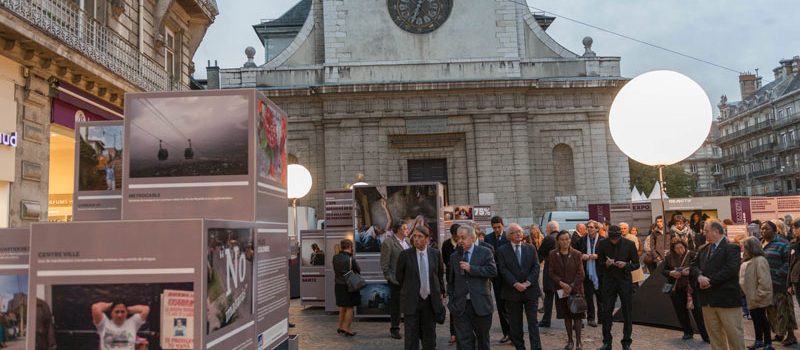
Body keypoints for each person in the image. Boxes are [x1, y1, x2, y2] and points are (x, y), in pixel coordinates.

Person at [691, 219, 745, 350]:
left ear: (716, 231)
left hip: (727, 300)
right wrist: (699, 277)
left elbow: (731, 269)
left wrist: (709, 281)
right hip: (707, 301)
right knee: (714, 336)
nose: (704, 234)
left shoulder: (732, 247)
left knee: (734, 335)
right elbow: (693, 266)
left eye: (706, 231)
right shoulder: (703, 248)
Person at [447, 224, 497, 350]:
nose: (460, 241)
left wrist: (471, 268)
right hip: (461, 306)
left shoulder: (485, 252)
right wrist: (451, 302)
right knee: (463, 342)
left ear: (472, 237)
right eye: (458, 238)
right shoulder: (454, 257)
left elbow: (492, 271)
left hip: (481, 304)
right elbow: (451, 282)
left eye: (463, 238)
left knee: (483, 341)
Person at [396, 225, 445, 350]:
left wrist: (441, 293)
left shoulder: (435, 254)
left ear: (427, 239)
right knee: (411, 338)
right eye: (414, 236)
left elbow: (439, 276)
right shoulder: (405, 255)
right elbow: (399, 277)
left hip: (429, 301)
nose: (416, 239)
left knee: (429, 337)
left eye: (420, 236)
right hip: (412, 301)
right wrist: (410, 289)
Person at [496, 223, 542, 350]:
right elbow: (503, 269)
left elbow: (536, 267)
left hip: (530, 291)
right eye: (514, 232)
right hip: (512, 293)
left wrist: (527, 283)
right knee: (516, 325)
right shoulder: (502, 250)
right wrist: (515, 283)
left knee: (533, 323)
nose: (518, 234)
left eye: (520, 231)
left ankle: (536, 348)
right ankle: (520, 347)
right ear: (508, 236)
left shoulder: (531, 248)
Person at [596, 225, 639, 350]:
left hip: (624, 281)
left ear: (620, 235)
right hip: (609, 282)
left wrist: (625, 265)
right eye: (612, 238)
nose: (614, 241)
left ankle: (626, 342)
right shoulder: (603, 244)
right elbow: (599, 264)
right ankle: (606, 342)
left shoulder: (629, 244)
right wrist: (606, 264)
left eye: (616, 238)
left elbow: (636, 264)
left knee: (627, 312)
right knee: (606, 312)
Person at [662, 238, 709, 342]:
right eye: (677, 248)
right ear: (673, 249)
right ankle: (687, 332)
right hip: (676, 288)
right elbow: (663, 270)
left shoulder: (692, 255)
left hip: (691, 288)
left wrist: (689, 272)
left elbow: (700, 269)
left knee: (697, 312)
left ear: (685, 247)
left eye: (682, 247)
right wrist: (671, 273)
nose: (680, 250)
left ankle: (705, 335)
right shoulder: (669, 256)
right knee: (681, 311)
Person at [760, 221, 798, 346]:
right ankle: (779, 333)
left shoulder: (783, 243)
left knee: (784, 310)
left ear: (774, 230)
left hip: (780, 283)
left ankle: (791, 335)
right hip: (765, 284)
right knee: (771, 311)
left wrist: (778, 274)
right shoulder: (760, 243)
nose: (763, 231)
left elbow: (789, 262)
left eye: (767, 229)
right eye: (762, 229)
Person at [550, 230, 586, 350]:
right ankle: (570, 340)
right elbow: (551, 272)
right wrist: (561, 283)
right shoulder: (553, 254)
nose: (565, 242)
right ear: (558, 241)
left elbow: (581, 273)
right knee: (567, 316)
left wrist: (571, 286)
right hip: (561, 290)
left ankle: (579, 342)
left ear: (570, 240)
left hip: (575, 289)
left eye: (567, 239)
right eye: (562, 239)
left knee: (577, 316)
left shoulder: (577, 254)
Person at [740, 236, 775, 350]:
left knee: (762, 319)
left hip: (757, 297)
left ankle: (768, 343)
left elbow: (764, 280)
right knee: (756, 319)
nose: (743, 249)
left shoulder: (759, 260)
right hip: (751, 296)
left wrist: (759, 295)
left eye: (744, 247)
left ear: (750, 248)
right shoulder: (749, 260)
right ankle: (759, 340)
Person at [380, 221, 411, 339]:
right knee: (396, 306)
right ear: (398, 230)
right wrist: (390, 278)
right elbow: (384, 264)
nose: (407, 230)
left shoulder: (408, 242)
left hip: (409, 279)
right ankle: (395, 329)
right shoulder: (388, 243)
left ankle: (410, 326)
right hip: (396, 280)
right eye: (405, 228)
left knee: (410, 304)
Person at [484, 216, 511, 343]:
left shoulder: (508, 237)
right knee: (500, 306)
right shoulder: (488, 238)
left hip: (509, 277)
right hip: (497, 278)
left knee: (511, 306)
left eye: (498, 227)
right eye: (494, 228)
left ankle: (514, 333)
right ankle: (506, 332)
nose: (496, 230)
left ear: (502, 225)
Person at [577, 220, 603, 328]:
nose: (589, 229)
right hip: (586, 271)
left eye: (592, 227)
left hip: (599, 272)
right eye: (588, 227)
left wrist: (598, 256)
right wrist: (582, 256)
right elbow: (576, 252)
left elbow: (607, 253)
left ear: (597, 229)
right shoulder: (582, 240)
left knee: (601, 296)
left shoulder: (602, 240)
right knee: (588, 296)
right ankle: (591, 318)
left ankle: (602, 317)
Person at [333, 239, 360, 336]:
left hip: (338, 285)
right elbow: (358, 270)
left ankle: (340, 326)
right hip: (349, 286)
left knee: (342, 307)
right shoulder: (350, 259)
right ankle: (347, 328)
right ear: (350, 247)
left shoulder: (335, 257)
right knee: (349, 308)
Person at [441, 223, 460, 345]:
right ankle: (453, 333)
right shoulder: (446, 244)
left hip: (463, 280)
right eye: (458, 235)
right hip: (451, 280)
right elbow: (445, 259)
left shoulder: (464, 243)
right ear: (453, 235)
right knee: (453, 307)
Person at [538, 220, 559, 328]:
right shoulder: (564, 236)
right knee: (562, 296)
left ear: (550, 229)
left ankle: (546, 320)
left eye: (546, 229)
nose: (546, 231)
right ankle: (571, 319)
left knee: (549, 297)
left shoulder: (549, 239)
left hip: (550, 271)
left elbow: (540, 254)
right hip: (562, 272)